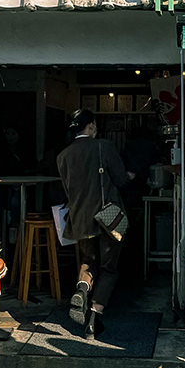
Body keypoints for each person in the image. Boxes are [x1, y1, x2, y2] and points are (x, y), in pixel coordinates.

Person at [56, 109, 133, 340]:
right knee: (109, 268)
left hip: (79, 218)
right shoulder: (104, 147)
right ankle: (93, 319)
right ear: (90, 126)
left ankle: (82, 288)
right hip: (107, 219)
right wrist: (130, 176)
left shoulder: (63, 156)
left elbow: (68, 190)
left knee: (88, 262)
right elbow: (119, 180)